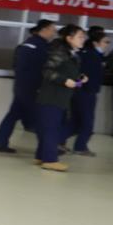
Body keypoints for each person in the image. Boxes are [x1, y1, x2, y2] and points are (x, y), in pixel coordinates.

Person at [0, 19, 57, 153]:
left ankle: (0, 143)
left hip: (21, 86)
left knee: (12, 116)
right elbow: (43, 70)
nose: (54, 33)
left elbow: (16, 66)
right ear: (44, 30)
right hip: (32, 89)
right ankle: (47, 150)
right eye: (52, 30)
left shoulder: (26, 44)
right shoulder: (42, 47)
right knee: (41, 119)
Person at [35, 25, 87, 172]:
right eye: (80, 37)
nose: (83, 40)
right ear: (69, 38)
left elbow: (66, 70)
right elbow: (47, 71)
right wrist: (64, 80)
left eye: (83, 37)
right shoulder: (60, 52)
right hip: (51, 97)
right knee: (52, 129)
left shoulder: (72, 54)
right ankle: (50, 160)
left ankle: (41, 156)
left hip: (61, 97)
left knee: (50, 128)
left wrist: (79, 77)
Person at [68, 29, 110, 156]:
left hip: (81, 91)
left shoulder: (91, 54)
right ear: (96, 43)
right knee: (87, 122)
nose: (107, 44)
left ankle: (57, 141)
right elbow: (84, 75)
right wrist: (84, 87)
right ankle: (80, 147)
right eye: (105, 42)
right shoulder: (92, 56)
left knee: (75, 122)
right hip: (86, 92)